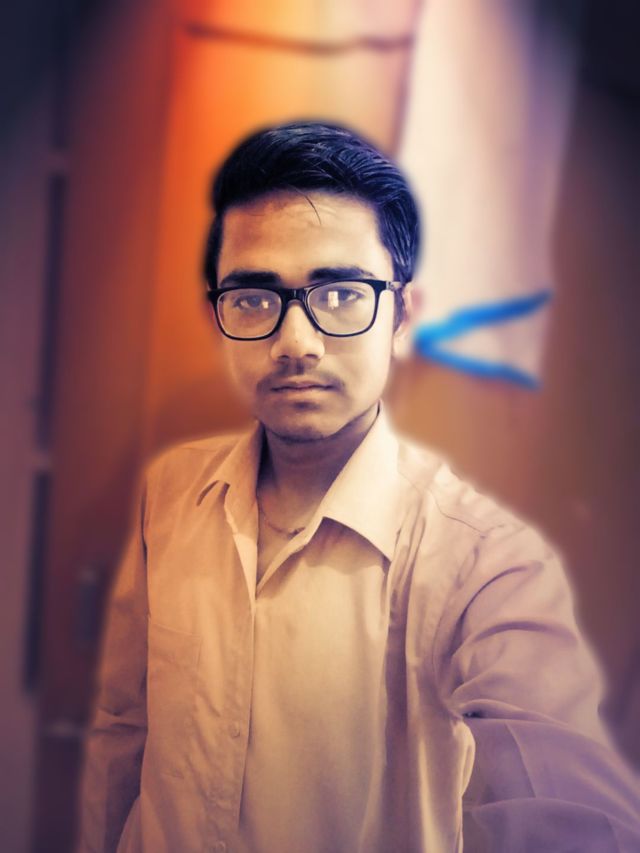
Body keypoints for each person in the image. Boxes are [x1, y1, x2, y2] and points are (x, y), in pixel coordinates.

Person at [78, 121, 640, 852]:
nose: (296, 343)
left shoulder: (484, 564)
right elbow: (126, 726)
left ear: (402, 316)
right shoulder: (173, 490)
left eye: (341, 293)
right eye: (253, 298)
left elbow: (564, 800)